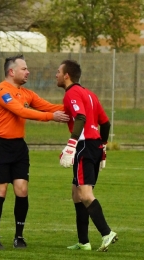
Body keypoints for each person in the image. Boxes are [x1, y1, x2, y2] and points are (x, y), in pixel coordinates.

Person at [0, 54, 69, 249]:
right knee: (1, 190)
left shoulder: (26, 93)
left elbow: (49, 106)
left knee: (22, 190)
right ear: (11, 71)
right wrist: (51, 117)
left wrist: (75, 106)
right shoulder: (1, 91)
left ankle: (19, 236)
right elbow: (21, 111)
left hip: (18, 146)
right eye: (24, 68)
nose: (28, 71)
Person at [56, 59, 118, 252]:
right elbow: (105, 124)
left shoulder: (72, 93)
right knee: (76, 194)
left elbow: (81, 117)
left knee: (85, 194)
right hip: (95, 146)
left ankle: (107, 233)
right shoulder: (89, 94)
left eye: (58, 72)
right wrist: (104, 148)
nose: (56, 75)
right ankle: (84, 242)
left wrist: (71, 144)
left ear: (67, 75)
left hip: (84, 146)